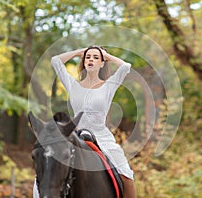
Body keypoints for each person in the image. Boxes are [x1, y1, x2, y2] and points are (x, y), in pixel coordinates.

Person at [41, 46, 136, 197]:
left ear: (102, 63)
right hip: (76, 136)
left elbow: (126, 67)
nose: (91, 59)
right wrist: (79, 52)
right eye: (88, 57)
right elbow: (56, 61)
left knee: (126, 174)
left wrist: (106, 55)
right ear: (84, 61)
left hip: (102, 137)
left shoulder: (109, 85)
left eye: (96, 57)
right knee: (48, 166)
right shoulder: (72, 85)